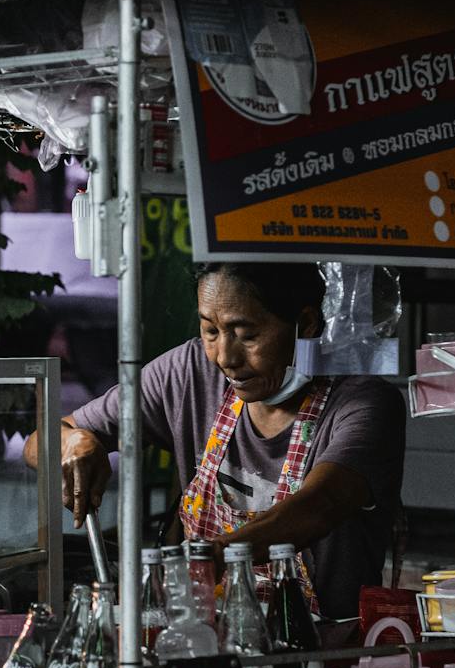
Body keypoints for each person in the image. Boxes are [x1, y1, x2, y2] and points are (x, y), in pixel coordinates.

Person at [26, 261, 404, 622]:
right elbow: (39, 442)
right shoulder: (190, 372)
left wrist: (218, 555)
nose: (225, 357)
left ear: (304, 323)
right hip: (203, 637)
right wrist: (75, 441)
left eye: (247, 335)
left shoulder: (363, 402)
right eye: (210, 331)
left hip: (321, 654)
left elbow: (320, 504)